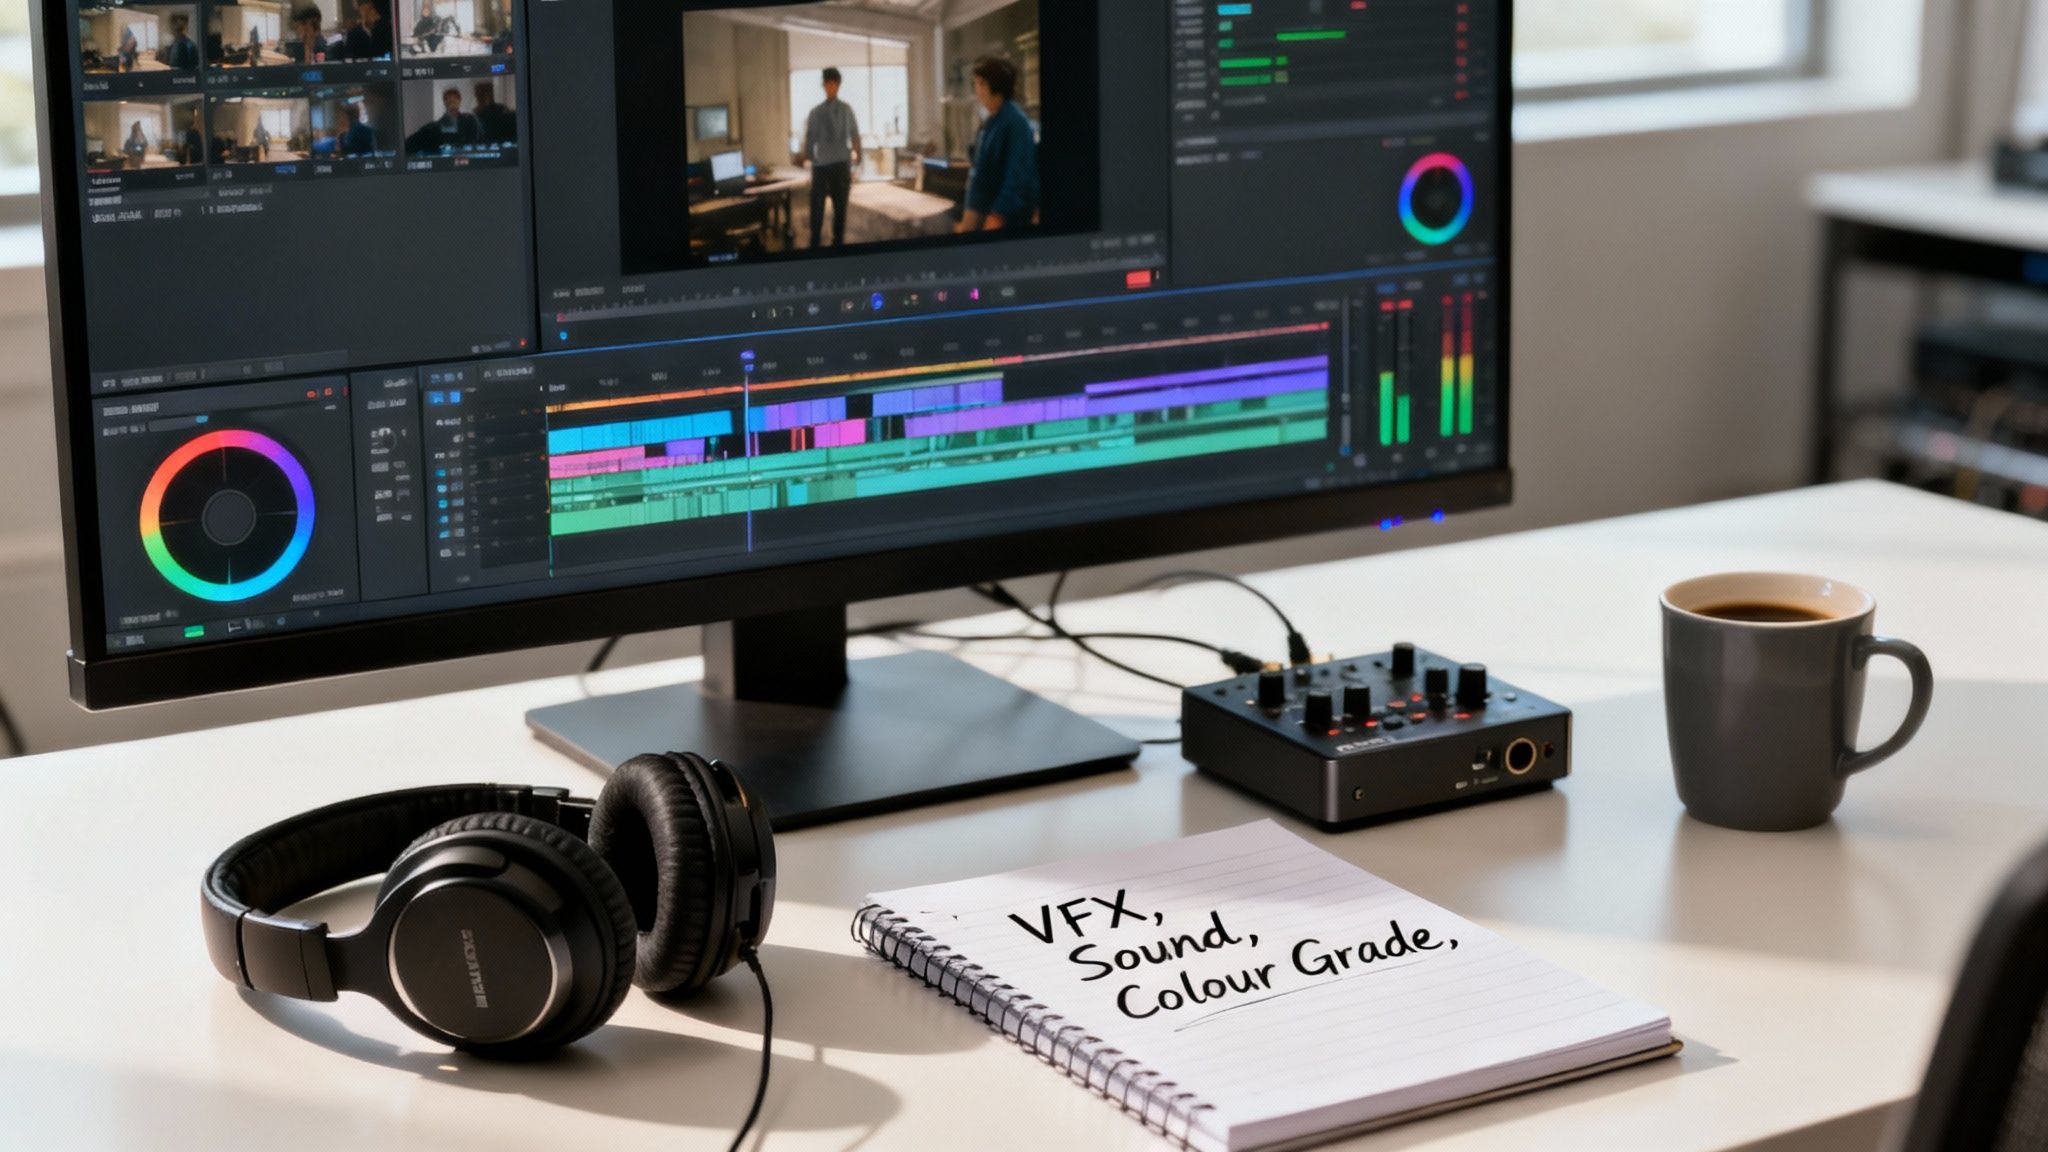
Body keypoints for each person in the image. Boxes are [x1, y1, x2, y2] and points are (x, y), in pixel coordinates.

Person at [958, 56, 1038, 234]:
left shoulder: (1015, 121)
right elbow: (980, 171)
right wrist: (970, 214)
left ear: (990, 86)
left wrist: (998, 215)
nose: (976, 90)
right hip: (985, 208)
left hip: (1009, 216)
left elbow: (1017, 176)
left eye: (978, 84)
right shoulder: (990, 121)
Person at [801, 67, 860, 249]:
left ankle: (838, 243)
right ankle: (815, 240)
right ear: (823, 85)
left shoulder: (846, 110)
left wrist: (857, 161)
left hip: (841, 164)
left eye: (834, 84)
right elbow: (809, 138)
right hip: (821, 166)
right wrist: (807, 158)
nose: (830, 87)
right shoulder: (816, 112)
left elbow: (855, 135)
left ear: (838, 85)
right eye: (827, 84)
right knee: (816, 207)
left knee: (840, 207)